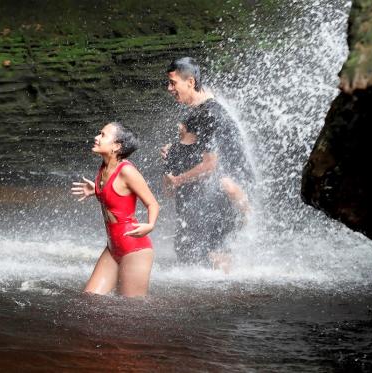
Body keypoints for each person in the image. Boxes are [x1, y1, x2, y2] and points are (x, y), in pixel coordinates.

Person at [162, 57, 251, 270]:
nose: (169, 88)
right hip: (215, 189)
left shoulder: (210, 113)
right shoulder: (200, 109)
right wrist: (174, 150)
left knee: (214, 254)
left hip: (226, 189)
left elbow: (211, 165)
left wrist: (176, 180)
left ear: (190, 82)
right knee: (195, 252)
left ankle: (229, 296)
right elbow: (196, 149)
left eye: (173, 83)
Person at [71, 122, 159, 297]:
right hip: (113, 247)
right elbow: (117, 200)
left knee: (129, 310)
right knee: (90, 299)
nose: (96, 137)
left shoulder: (126, 171)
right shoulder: (104, 167)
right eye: (99, 133)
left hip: (134, 248)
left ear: (117, 146)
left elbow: (153, 203)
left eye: (102, 135)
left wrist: (150, 225)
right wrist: (96, 190)